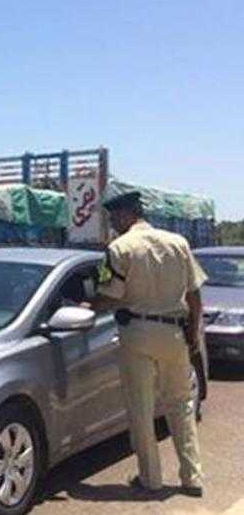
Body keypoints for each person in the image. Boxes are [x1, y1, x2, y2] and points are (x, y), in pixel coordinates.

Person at [86, 191, 206, 497]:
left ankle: (150, 479)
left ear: (127, 214)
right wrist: (193, 333)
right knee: (181, 405)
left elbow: (109, 296)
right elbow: (194, 294)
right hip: (175, 333)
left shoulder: (119, 248)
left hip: (137, 334)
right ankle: (192, 477)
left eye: (114, 218)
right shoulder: (178, 243)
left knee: (140, 409)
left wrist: (87, 305)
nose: (113, 224)